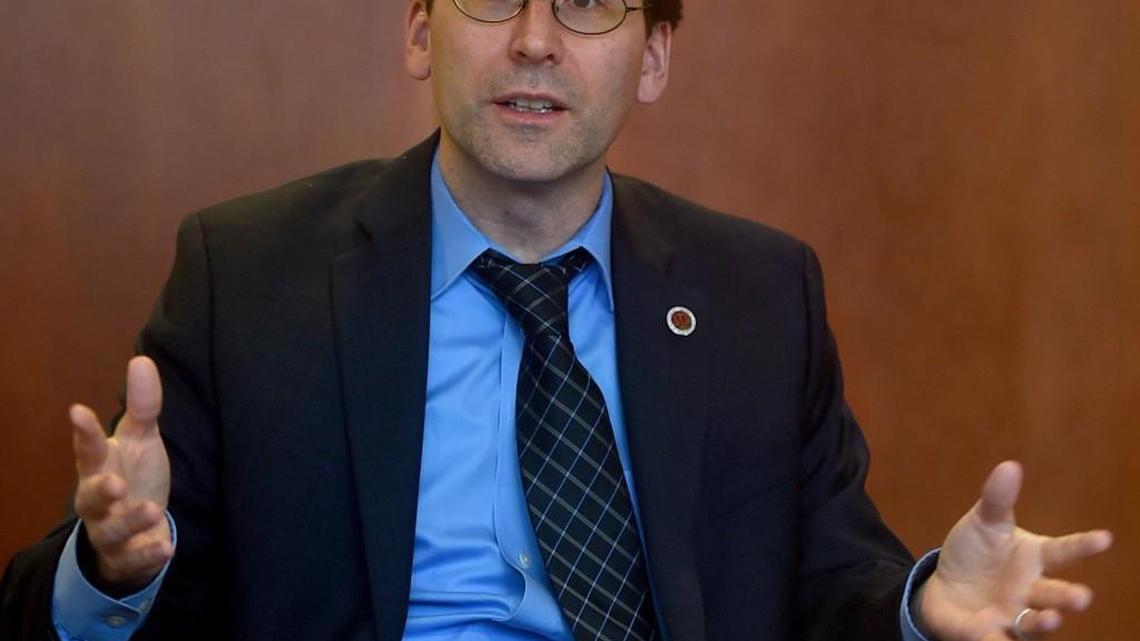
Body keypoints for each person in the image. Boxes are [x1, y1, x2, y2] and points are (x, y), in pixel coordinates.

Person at [0, 0, 1113, 639]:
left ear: (657, 55)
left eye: (588, 0)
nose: (536, 39)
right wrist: (113, 568)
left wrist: (926, 607)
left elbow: (830, 584)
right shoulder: (247, 276)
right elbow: (73, 600)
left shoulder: (759, 293)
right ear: (420, 31)